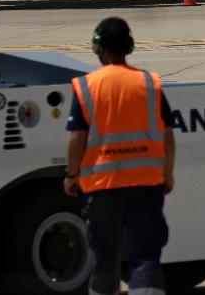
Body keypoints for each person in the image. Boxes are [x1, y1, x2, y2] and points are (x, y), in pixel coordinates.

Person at [64, 17, 176, 295]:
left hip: (103, 188)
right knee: (146, 258)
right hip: (146, 185)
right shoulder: (149, 83)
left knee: (104, 260)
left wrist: (71, 174)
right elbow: (168, 134)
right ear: (128, 46)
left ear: (100, 49)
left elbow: (77, 139)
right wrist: (167, 172)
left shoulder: (87, 86)